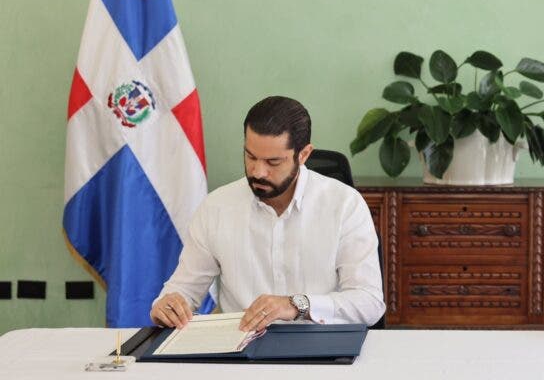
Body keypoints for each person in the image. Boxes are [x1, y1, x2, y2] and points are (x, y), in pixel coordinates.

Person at [151, 96, 385, 331]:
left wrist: (296, 305)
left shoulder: (345, 205)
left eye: (273, 162)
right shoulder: (216, 208)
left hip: (322, 350)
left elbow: (369, 303)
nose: (258, 172)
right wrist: (169, 306)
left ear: (303, 155)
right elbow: (183, 290)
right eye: (251, 156)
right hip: (240, 354)